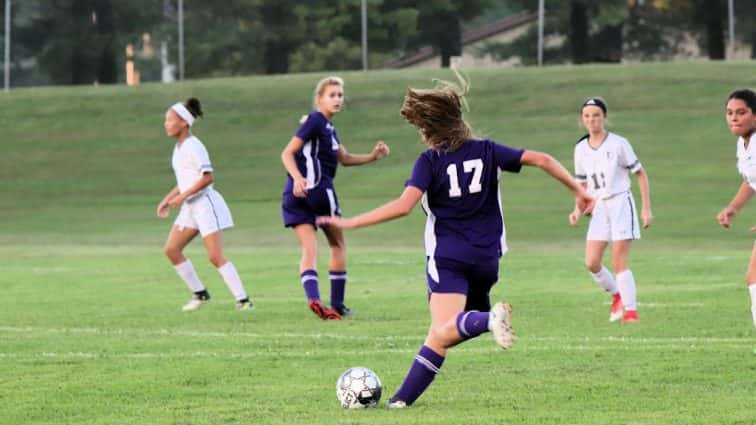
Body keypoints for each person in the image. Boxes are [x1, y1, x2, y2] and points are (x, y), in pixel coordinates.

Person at [317, 71, 594, 408]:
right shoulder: (488, 150)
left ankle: (490, 319)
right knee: (451, 330)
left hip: (449, 255)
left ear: (429, 128)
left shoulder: (430, 161)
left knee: (445, 328)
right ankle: (401, 400)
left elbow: (404, 206)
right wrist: (579, 191)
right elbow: (543, 159)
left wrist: (353, 222)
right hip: (488, 257)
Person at [280, 76, 390, 320]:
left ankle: (314, 299)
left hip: (295, 195)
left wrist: (372, 156)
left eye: (340, 95)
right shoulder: (316, 121)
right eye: (332, 95)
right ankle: (337, 305)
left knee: (309, 249)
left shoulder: (329, 129)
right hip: (318, 191)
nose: (338, 99)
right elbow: (287, 153)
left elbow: (344, 158)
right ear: (319, 99)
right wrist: (298, 177)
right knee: (337, 245)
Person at [157, 98, 253, 312]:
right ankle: (200, 294)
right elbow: (185, 181)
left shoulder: (194, 145)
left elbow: (207, 178)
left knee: (215, 256)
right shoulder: (178, 148)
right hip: (190, 206)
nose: (166, 124)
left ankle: (244, 300)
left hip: (205, 204)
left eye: (170, 120)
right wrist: (167, 199)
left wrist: (181, 197)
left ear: (184, 122)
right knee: (172, 250)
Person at [569, 98, 652, 323]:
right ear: (581, 120)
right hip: (599, 207)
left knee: (618, 261)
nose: (591, 120)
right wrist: (577, 209)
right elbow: (582, 185)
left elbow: (640, 174)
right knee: (592, 262)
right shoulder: (580, 149)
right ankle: (616, 295)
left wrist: (646, 208)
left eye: (596, 115)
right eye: (587, 116)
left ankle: (631, 313)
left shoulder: (618, 144)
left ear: (605, 117)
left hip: (620, 203)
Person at [716, 89, 756, 327]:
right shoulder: (744, 145)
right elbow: (752, 180)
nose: (734, 118)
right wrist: (734, 207)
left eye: (741, 112)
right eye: (730, 113)